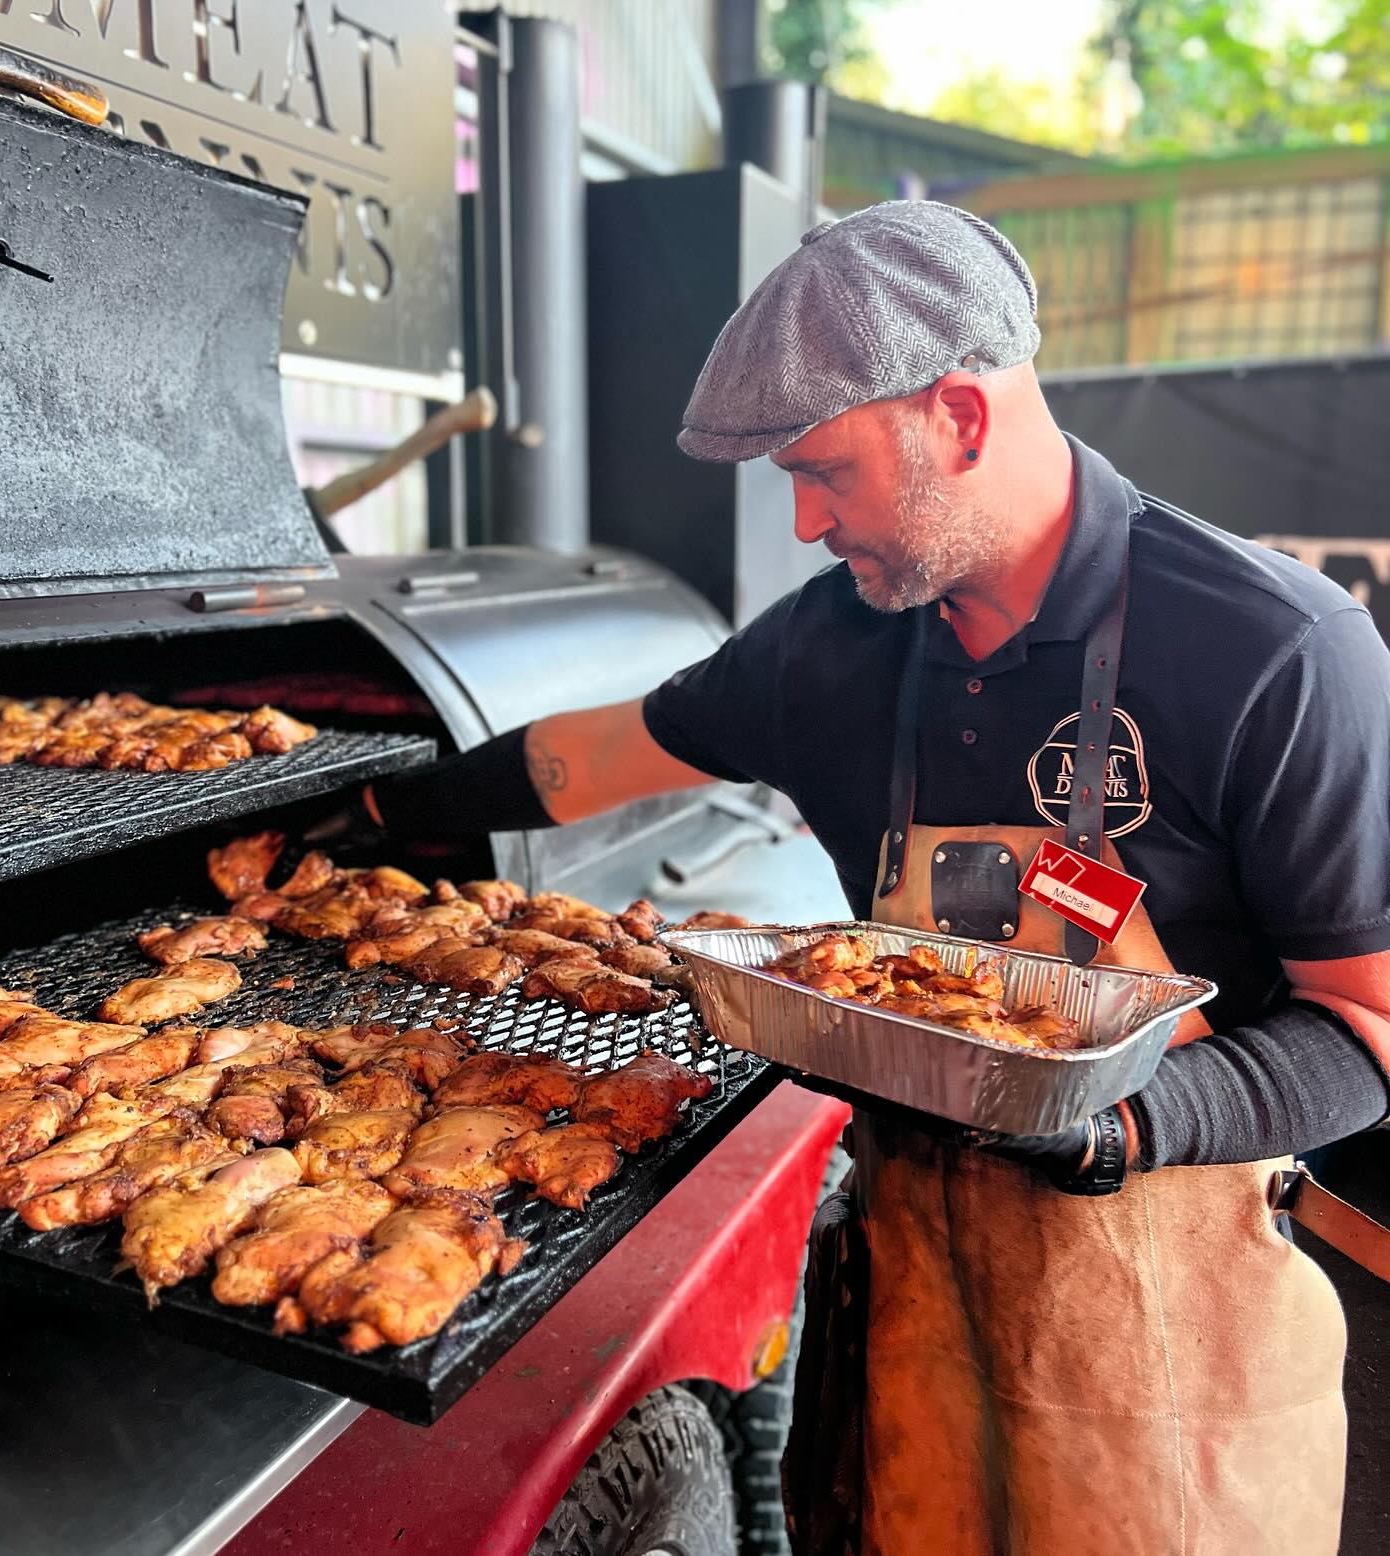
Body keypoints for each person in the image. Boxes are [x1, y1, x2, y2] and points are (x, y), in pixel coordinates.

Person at [356, 202, 1390, 1553]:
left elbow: (1366, 1030)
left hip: (1164, 1341)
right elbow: (590, 757)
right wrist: (361, 808)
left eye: (825, 472)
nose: (799, 522)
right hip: (912, 1299)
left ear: (961, 416)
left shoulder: (1276, 652)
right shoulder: (828, 647)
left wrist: (1109, 1125)